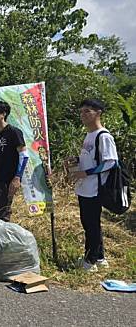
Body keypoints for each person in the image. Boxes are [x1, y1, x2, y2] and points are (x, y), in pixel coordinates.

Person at [67, 99, 117, 272]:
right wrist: (76, 161)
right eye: (81, 112)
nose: (83, 115)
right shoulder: (89, 135)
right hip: (85, 188)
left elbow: (111, 163)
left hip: (95, 188)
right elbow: (91, 158)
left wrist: (86, 173)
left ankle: (89, 262)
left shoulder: (104, 136)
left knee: (91, 225)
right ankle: (100, 258)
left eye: (87, 111)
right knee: (90, 223)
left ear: (98, 113)